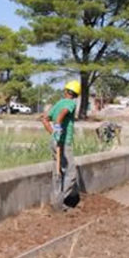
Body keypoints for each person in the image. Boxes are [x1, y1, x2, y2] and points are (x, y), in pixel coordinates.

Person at [40, 80, 82, 210]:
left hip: (55, 141)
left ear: (66, 91)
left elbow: (45, 119)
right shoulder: (70, 103)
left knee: (57, 169)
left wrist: (53, 133)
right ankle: (60, 200)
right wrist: (58, 127)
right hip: (64, 142)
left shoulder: (58, 103)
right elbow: (61, 115)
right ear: (76, 94)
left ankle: (56, 199)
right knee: (71, 173)